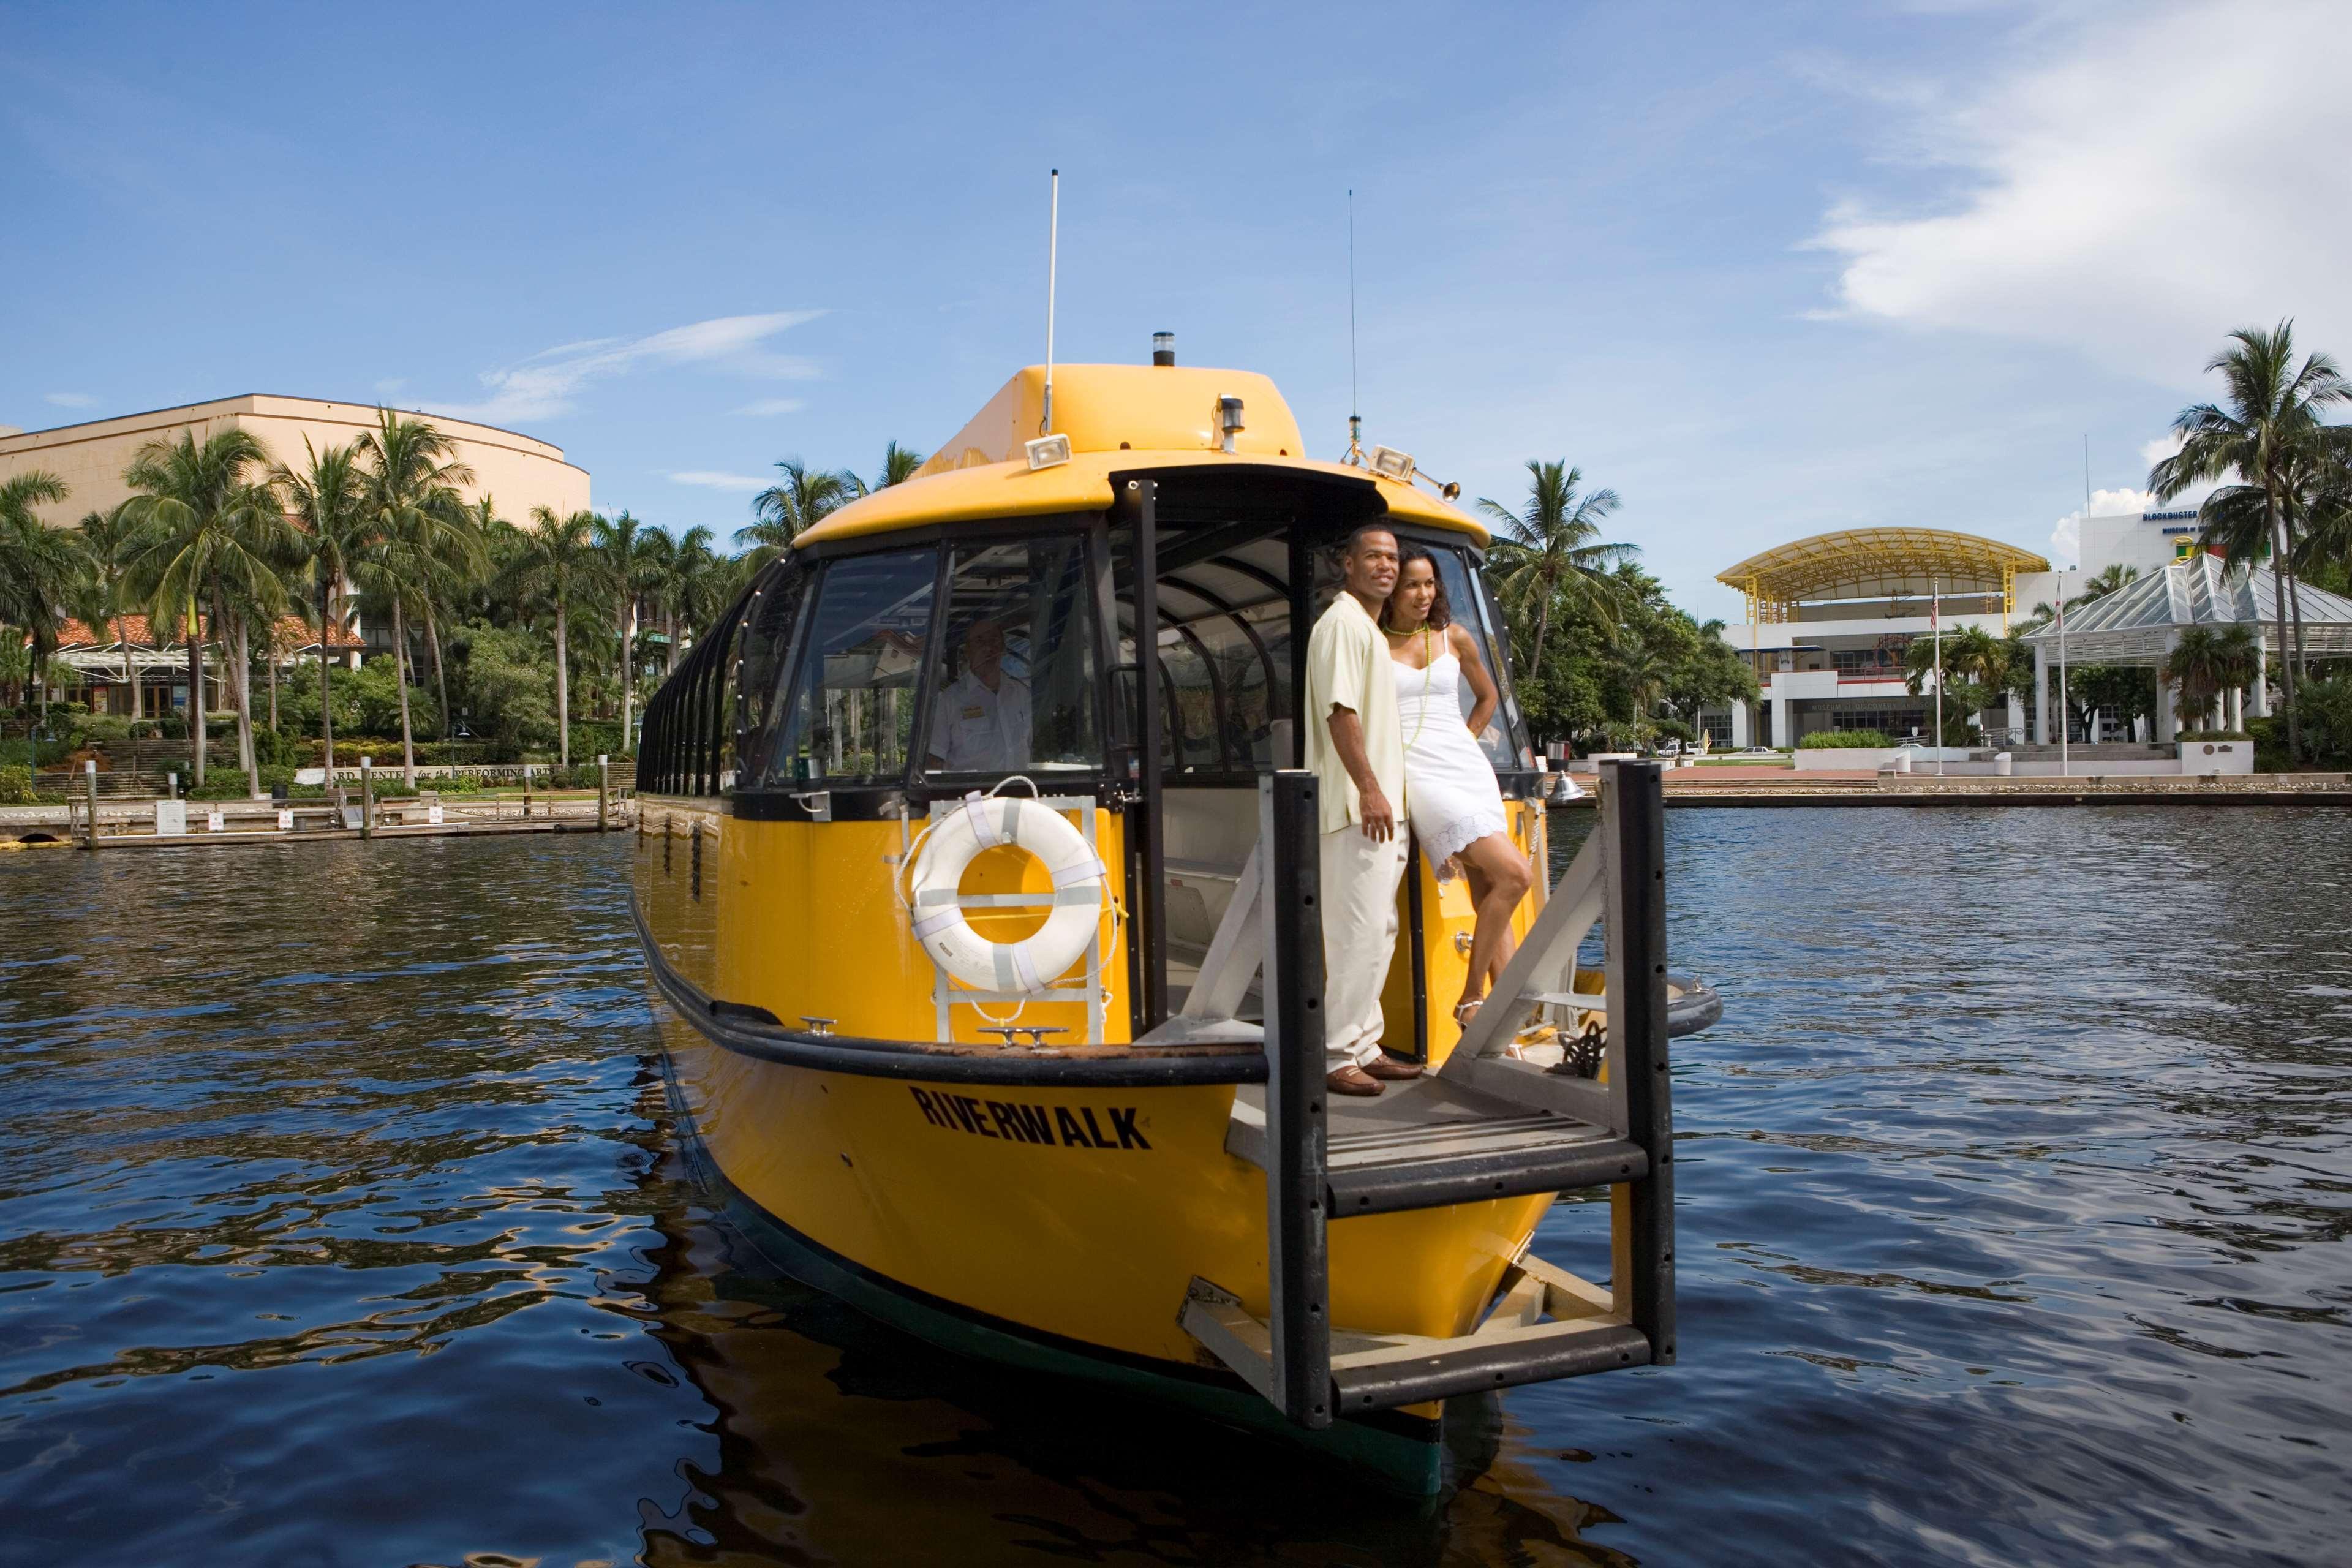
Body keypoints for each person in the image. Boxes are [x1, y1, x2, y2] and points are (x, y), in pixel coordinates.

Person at [1382, 549, 1535, 1035]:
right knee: (1516, 876)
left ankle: (1501, 1019)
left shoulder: (1454, 637)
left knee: (1491, 887)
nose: (1424, 594)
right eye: (1412, 585)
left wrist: (1468, 736)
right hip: (1419, 773)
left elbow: (1490, 696)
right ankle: (1472, 998)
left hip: (1466, 766)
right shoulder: (1374, 644)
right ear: (1393, 591)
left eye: (1430, 585)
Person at [1303, 526, 1426, 1098]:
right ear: (1347, 564)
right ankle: (1334, 1054)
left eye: (1393, 557)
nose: (1386, 565)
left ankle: (1364, 1044)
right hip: (1357, 808)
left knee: (1380, 931)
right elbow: (1340, 712)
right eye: (1374, 556)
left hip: (1381, 809)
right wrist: (1371, 790)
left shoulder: (1368, 629)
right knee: (1356, 933)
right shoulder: (1342, 625)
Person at [926, 617, 1030, 772]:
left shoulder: (1021, 694)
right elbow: (934, 762)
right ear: (968, 651)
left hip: (1019, 793)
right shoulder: (948, 700)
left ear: (1004, 648)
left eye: (994, 640)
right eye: (980, 641)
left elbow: (1032, 746)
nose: (988, 648)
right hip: (970, 795)